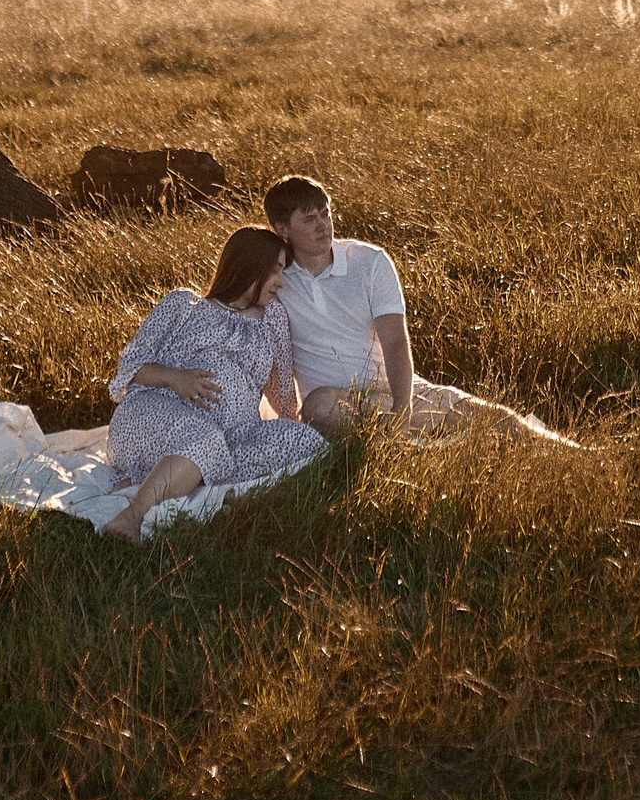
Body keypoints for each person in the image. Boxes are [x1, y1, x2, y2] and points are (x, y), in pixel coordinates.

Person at [262, 174, 565, 440]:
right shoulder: (275, 281)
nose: (323, 225)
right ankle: (424, 442)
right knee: (319, 406)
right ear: (283, 229)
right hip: (337, 405)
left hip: (398, 391)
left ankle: (581, 454)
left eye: (325, 214)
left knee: (493, 420)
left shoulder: (369, 262)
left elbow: (395, 341)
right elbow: (230, 312)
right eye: (309, 219)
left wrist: (400, 409)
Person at [100, 225, 329, 542]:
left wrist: (292, 422)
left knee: (305, 441)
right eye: (275, 271)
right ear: (249, 267)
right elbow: (130, 367)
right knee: (203, 439)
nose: (281, 282)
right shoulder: (182, 306)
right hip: (157, 411)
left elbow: (282, 391)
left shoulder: (273, 317)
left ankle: (168, 477)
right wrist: (175, 378)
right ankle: (131, 517)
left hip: (231, 432)